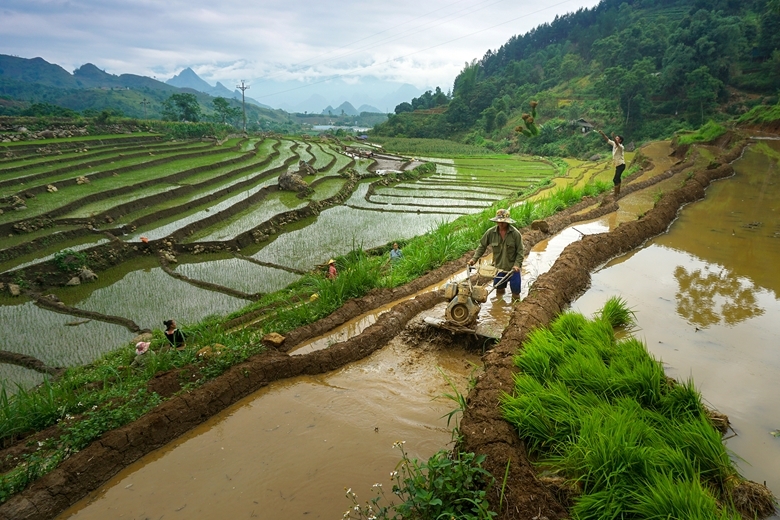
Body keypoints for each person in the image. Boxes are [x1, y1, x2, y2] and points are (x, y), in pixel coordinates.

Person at [469, 209, 524, 300]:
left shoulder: (515, 234)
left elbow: (520, 251)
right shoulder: (491, 233)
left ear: (507, 222)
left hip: (513, 269)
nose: (501, 224)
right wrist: (474, 259)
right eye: (499, 222)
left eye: (503, 222)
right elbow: (482, 246)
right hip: (499, 268)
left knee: (516, 294)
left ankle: (515, 310)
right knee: (499, 290)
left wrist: (517, 265)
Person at [598, 130, 625, 197]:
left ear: (620, 140)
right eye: (616, 137)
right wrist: (602, 134)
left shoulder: (621, 147)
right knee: (618, 178)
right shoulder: (614, 144)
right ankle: (618, 192)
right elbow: (607, 140)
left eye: (617, 138)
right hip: (618, 165)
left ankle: (616, 193)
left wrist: (613, 136)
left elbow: (616, 143)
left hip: (621, 165)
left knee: (615, 179)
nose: (616, 139)